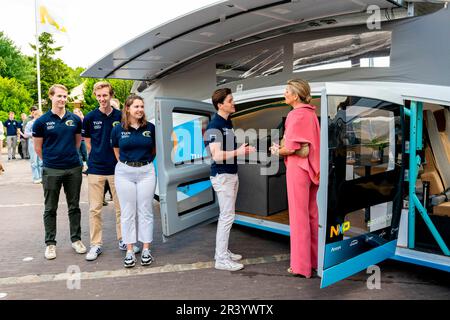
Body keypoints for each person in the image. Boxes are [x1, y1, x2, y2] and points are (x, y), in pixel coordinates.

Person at [270, 79, 320, 278]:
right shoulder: (310, 114)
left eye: (286, 91)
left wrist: (276, 150)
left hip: (298, 170)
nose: (284, 94)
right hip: (311, 170)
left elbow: (290, 148)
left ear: (295, 95)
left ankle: (300, 266)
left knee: (298, 219)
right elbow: (306, 145)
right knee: (311, 216)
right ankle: (313, 262)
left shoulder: (295, 114)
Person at [82, 82, 138, 261]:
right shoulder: (90, 117)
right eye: (98, 96)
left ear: (111, 95)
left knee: (122, 208)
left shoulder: (121, 116)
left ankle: (123, 240)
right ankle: (96, 244)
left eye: (105, 95)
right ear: (95, 96)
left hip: (118, 169)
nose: (102, 99)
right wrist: (97, 156)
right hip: (96, 169)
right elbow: (88, 142)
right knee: (95, 209)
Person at [33, 84, 87, 260]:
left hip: (73, 168)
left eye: (65, 96)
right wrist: (51, 161)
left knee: (74, 206)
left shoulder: (75, 119)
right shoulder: (41, 122)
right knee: (50, 208)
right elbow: (38, 148)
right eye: (59, 96)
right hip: (51, 169)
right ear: (51, 97)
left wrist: (70, 157)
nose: (62, 99)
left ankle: (76, 240)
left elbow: (77, 143)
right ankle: (50, 244)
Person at [204, 88, 255, 272]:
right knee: (226, 217)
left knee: (229, 216)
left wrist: (239, 149)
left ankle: (224, 251)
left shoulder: (227, 122)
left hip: (231, 174)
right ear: (221, 105)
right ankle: (221, 258)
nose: (234, 103)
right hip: (222, 175)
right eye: (230, 100)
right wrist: (239, 152)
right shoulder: (214, 126)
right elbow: (216, 156)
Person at [111, 94, 156, 268]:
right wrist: (128, 164)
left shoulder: (150, 128)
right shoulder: (118, 129)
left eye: (142, 106)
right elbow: (116, 150)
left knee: (145, 211)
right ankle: (130, 250)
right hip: (124, 172)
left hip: (146, 171)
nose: (140, 109)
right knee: (127, 212)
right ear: (127, 109)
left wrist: (142, 164)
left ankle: (146, 249)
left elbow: (154, 150)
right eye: (136, 106)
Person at [23, 109, 43, 183]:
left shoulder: (42, 123)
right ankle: (36, 178)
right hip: (32, 143)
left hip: (41, 143)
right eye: (39, 115)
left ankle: (42, 177)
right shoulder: (30, 123)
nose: (40, 117)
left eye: (41, 115)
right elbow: (26, 133)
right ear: (34, 115)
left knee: (41, 161)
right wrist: (34, 133)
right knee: (34, 161)